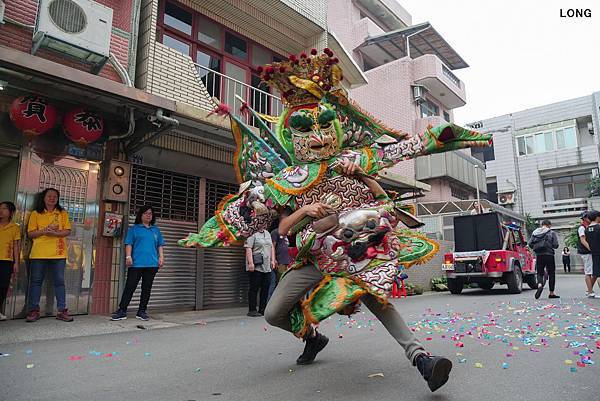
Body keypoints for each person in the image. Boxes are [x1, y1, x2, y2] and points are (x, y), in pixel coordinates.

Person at [26, 188, 73, 322]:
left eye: (55, 196)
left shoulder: (62, 213)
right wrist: (44, 231)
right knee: (36, 282)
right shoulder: (36, 213)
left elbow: (67, 230)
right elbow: (30, 234)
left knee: (59, 282)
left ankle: (61, 310)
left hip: (58, 253)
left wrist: (56, 234)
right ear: (44, 198)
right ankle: (34, 310)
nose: (52, 198)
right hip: (38, 253)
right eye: (49, 196)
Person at [111, 206, 164, 321]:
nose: (148, 215)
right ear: (140, 215)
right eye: (145, 213)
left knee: (147, 288)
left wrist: (161, 257)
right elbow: (129, 243)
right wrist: (128, 256)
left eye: (150, 213)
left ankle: (141, 311)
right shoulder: (134, 229)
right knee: (130, 287)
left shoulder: (156, 230)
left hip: (152, 264)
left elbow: (160, 245)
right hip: (136, 264)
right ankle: (122, 311)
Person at [244, 228, 275, 317]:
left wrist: (273, 260)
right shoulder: (251, 233)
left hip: (267, 266)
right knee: (254, 288)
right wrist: (250, 263)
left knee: (265, 288)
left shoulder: (267, 233)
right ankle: (252, 310)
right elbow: (248, 248)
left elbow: (271, 247)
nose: (263, 224)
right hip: (256, 266)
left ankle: (262, 309)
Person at [528, 219, 559, 299]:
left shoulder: (535, 232)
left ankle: (540, 284)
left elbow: (530, 243)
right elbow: (556, 245)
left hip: (539, 255)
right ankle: (551, 293)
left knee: (540, 272)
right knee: (551, 273)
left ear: (542, 224)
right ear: (549, 225)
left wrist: (537, 248)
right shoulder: (551, 232)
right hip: (549, 255)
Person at [0, 201, 20, 321]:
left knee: (3, 286)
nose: (1, 211)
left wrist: (16, 262)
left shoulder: (15, 227)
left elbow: (16, 246)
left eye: (4, 208)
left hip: (7, 261)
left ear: (11, 212)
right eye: (0, 208)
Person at [270, 208, 293, 298]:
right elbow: (272, 246)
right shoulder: (275, 232)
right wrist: (274, 259)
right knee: (281, 282)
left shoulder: (290, 232)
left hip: (290, 262)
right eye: (282, 219)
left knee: (288, 283)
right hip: (281, 262)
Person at [577, 212, 596, 297]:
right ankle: (590, 291)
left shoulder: (589, 227)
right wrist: (592, 249)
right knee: (589, 272)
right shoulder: (582, 228)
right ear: (585, 218)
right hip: (586, 252)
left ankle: (589, 290)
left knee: (595, 272)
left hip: (590, 252)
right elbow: (583, 240)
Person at [584, 210, 600, 298]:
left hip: (594, 253)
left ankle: (590, 291)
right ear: (597, 217)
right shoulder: (599, 227)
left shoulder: (587, 229)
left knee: (597, 274)